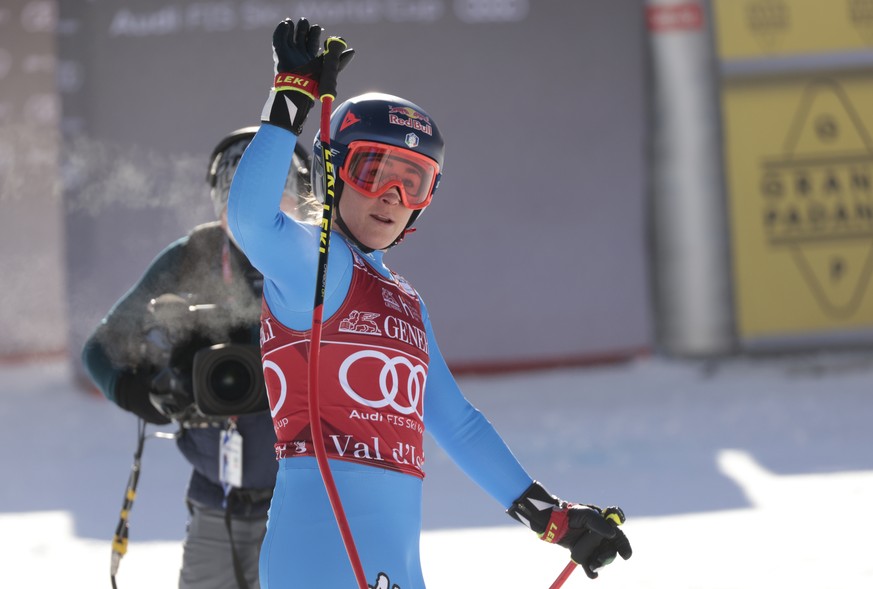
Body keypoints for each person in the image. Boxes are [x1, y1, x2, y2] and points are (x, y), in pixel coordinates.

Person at [227, 18, 633, 588]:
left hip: (397, 565)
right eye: (372, 171)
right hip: (319, 555)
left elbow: (458, 423)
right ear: (331, 171)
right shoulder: (316, 266)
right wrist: (287, 101)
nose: (391, 198)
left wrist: (549, 516)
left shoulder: (404, 302)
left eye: (412, 182)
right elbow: (249, 221)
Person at [81, 128, 314, 589]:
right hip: (215, 503)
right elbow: (100, 350)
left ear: (303, 201)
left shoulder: (324, 261)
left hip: (306, 504)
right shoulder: (192, 257)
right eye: (237, 201)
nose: (253, 216)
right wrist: (146, 392)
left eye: (275, 198)